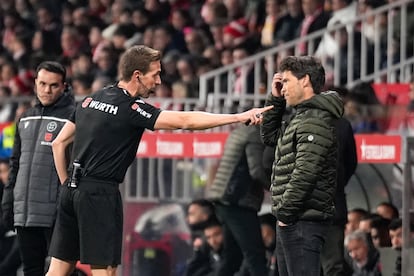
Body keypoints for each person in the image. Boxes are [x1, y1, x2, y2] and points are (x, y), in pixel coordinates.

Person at [46, 45, 273, 276]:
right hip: (99, 194)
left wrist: (68, 185)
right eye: (155, 74)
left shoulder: (90, 100)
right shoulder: (130, 107)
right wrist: (238, 116)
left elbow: (58, 143)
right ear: (137, 75)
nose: (158, 81)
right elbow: (185, 120)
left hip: (71, 191)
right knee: (105, 271)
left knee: (58, 269)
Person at [260, 56, 344, 276]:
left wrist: (285, 213)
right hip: (294, 219)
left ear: (305, 80)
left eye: (286, 81)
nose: (282, 87)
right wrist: (276, 100)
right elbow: (269, 137)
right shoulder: (302, 116)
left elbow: (306, 172)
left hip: (303, 220)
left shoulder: (315, 120)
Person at [1, 61, 75, 276]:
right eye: (42, 84)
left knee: (63, 271)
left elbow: (75, 164)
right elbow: (15, 164)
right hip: (25, 213)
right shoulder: (25, 118)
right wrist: (8, 201)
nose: (46, 90)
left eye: (53, 85)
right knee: (31, 270)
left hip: (56, 213)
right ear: (35, 83)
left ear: (63, 86)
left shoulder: (73, 116)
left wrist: (66, 202)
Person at [207, 124, 269, 276]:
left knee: (232, 258)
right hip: (238, 200)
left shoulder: (239, 132)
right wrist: (277, 186)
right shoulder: (255, 135)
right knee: (256, 256)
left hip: (225, 200)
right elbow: (257, 171)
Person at [321, 88, 358, 276]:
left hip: (302, 207)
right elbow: (352, 162)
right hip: (333, 204)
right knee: (333, 265)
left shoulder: (299, 122)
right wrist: (338, 183)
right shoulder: (343, 125)